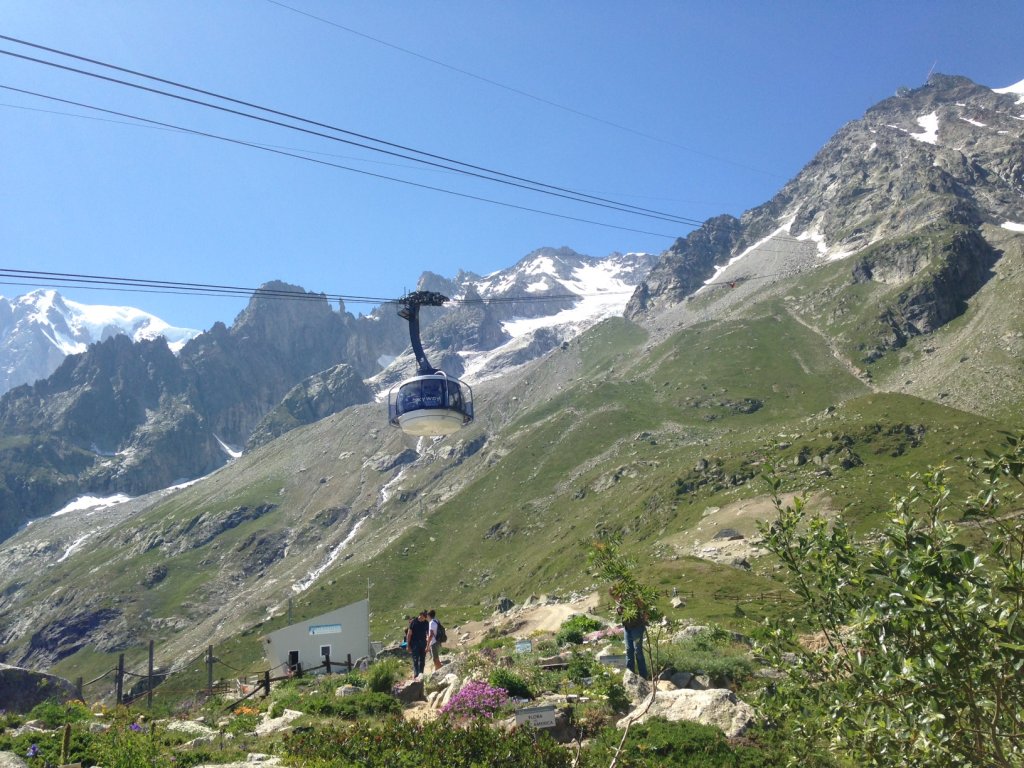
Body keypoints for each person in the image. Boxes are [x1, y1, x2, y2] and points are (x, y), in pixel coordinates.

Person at [612, 586, 649, 679]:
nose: (615, 598)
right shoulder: (618, 600)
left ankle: (643, 677)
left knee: (638, 651)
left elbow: (642, 605)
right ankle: (630, 676)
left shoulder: (630, 597)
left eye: (615, 595)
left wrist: (645, 614)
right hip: (627, 628)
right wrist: (618, 610)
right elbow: (619, 611)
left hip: (637, 627)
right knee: (629, 651)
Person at [406, 611, 429, 678]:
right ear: (421, 616)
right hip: (415, 643)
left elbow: (427, 634)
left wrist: (428, 645)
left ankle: (421, 674)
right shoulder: (413, 622)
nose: (425, 619)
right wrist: (408, 645)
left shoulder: (426, 623)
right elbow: (409, 634)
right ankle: (416, 675)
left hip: (423, 643)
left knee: (422, 659)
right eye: (425, 617)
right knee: (415, 659)